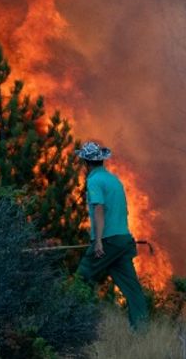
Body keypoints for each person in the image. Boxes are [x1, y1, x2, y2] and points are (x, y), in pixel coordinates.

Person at [74, 140, 150, 330]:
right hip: (124, 240)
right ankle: (142, 330)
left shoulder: (93, 180)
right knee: (132, 289)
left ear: (86, 163)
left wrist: (98, 241)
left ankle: (66, 323)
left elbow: (99, 209)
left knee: (80, 278)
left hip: (107, 240)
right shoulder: (114, 180)